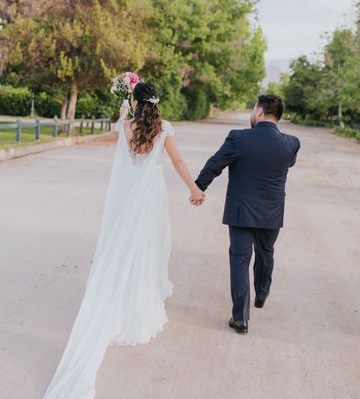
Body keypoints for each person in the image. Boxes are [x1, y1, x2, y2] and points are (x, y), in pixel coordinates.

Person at [43, 81, 204, 399]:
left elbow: (124, 154)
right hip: (150, 198)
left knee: (122, 249)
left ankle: (116, 304)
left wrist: (125, 107)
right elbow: (179, 163)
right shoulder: (165, 129)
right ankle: (138, 306)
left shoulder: (125, 126)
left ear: (135, 101)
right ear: (156, 103)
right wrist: (194, 189)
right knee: (144, 250)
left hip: (127, 196)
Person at [194, 94, 300, 335]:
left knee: (240, 260)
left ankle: (240, 318)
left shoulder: (239, 138)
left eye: (254, 110)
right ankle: (261, 292)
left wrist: (199, 187)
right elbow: (288, 163)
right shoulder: (291, 143)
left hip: (241, 210)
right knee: (266, 252)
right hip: (272, 212)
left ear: (260, 112)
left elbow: (215, 164)